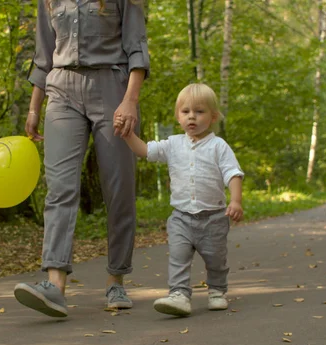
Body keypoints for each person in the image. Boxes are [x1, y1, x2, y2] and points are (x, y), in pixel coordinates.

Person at [13, 0, 150, 318]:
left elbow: (137, 49)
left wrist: (130, 101)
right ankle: (55, 285)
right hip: (60, 91)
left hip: (112, 87)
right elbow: (43, 56)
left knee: (118, 190)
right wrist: (34, 108)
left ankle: (116, 278)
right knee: (59, 188)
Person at [113, 83, 244, 317]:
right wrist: (128, 135)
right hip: (181, 218)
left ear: (213, 117)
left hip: (213, 218)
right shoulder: (172, 144)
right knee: (178, 257)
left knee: (216, 259)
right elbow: (144, 151)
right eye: (186, 112)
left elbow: (233, 173)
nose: (192, 117)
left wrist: (235, 201)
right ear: (178, 116)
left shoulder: (218, 146)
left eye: (199, 111)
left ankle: (216, 291)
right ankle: (179, 295)